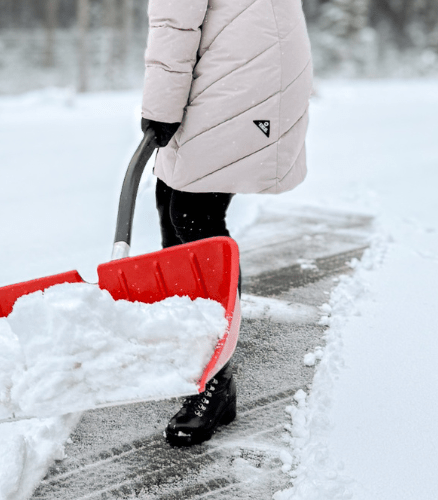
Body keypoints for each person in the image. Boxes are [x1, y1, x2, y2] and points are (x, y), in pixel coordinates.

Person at [140, 0, 313, 446]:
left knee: (193, 214)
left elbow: (175, 23)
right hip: (235, 61)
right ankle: (196, 346)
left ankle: (215, 379)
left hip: (243, 70)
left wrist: (161, 107)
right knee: (171, 198)